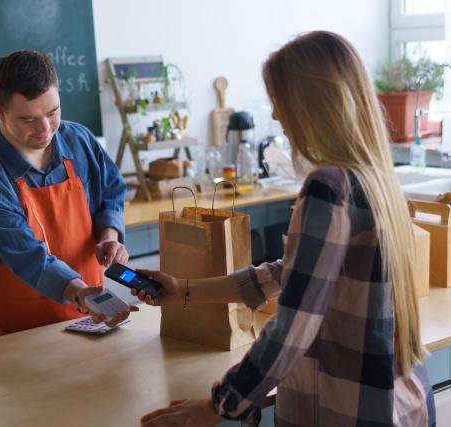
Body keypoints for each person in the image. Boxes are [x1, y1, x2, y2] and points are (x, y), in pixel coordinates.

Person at [135, 31, 435, 426]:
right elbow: (290, 274)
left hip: (345, 411)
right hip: (398, 401)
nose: (276, 116)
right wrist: (185, 290)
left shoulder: (329, 187)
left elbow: (294, 326)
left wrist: (217, 405)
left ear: (311, 104)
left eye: (280, 101)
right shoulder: (374, 176)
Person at [0, 50, 135, 338]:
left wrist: (109, 235)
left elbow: (111, 189)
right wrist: (82, 293)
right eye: (27, 119)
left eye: (52, 112)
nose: (44, 129)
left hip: (90, 317)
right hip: (22, 333)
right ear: (0, 112)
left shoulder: (78, 139)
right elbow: (31, 258)